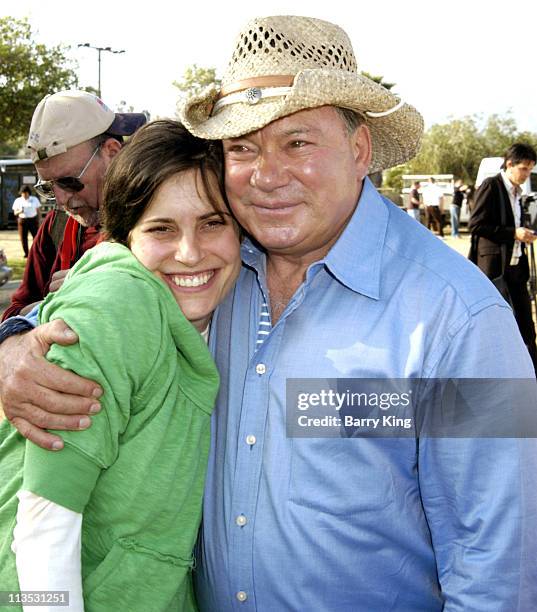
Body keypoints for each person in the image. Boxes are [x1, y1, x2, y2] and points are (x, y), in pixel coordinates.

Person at [1, 15, 536, 611]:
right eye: (242, 147)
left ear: (359, 150)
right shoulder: (210, 272)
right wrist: (14, 343)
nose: (267, 175)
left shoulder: (463, 321)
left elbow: (498, 562)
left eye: (297, 142)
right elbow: (94, 301)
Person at [0, 120, 241, 611]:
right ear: (125, 236)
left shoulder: (224, 300)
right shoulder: (120, 302)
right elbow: (45, 526)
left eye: (213, 222)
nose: (191, 252)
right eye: (161, 229)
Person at [1, 90, 146, 320]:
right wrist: (58, 303)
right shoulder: (55, 226)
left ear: (112, 152)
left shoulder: (155, 226)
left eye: (68, 181)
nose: (60, 199)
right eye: (48, 187)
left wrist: (107, 290)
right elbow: (14, 313)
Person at [469, 142, 537, 373]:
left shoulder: (519, 194)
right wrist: (513, 233)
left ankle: (530, 371)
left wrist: (523, 233)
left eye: (530, 169)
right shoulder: (491, 185)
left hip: (517, 266)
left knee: (526, 324)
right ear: (509, 164)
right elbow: (476, 224)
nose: (526, 174)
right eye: (524, 168)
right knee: (495, 323)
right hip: (495, 267)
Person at [11, 186, 41, 258]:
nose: (24, 195)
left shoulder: (34, 199)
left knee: (36, 237)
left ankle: (35, 252)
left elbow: (38, 211)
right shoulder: (18, 200)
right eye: (23, 193)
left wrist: (39, 220)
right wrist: (20, 211)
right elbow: (15, 213)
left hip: (33, 220)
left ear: (28, 193)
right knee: (23, 238)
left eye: (26, 193)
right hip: (23, 221)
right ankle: (26, 253)